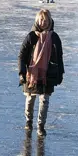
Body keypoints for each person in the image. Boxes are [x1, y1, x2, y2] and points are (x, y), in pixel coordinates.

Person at [18, 8, 64, 136]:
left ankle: (40, 125)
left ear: (50, 21)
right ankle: (28, 121)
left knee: (44, 100)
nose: (43, 22)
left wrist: (60, 73)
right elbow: (22, 55)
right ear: (37, 20)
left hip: (48, 73)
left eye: (46, 19)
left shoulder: (54, 37)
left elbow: (59, 56)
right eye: (41, 19)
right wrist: (22, 72)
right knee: (30, 98)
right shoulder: (31, 36)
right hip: (31, 74)